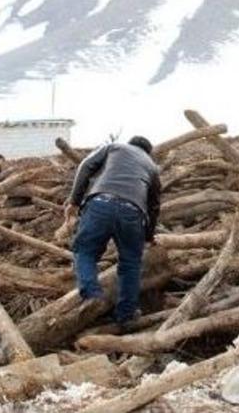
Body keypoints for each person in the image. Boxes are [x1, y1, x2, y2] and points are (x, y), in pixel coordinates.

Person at [66, 136, 161, 331]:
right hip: (133, 212)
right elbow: (154, 206)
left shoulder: (114, 147)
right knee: (131, 263)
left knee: (85, 251)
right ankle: (126, 316)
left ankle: (92, 294)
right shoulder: (152, 167)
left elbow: (86, 166)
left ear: (130, 143)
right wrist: (149, 236)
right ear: (148, 152)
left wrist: (74, 201)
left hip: (100, 203)